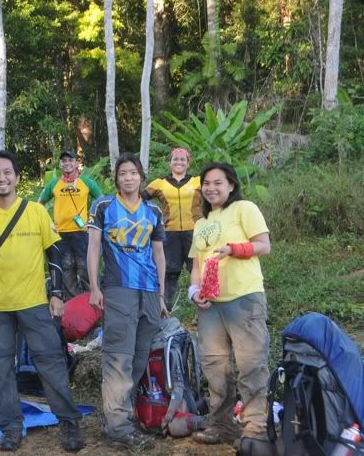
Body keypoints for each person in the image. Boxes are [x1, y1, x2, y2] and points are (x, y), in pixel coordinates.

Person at [0, 151, 85, 453]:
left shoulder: (36, 212)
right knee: (1, 367)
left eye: (7, 172)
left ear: (17, 178)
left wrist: (56, 294)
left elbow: (54, 255)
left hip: (34, 303)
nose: (1, 178)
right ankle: (10, 427)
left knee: (51, 361)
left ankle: (68, 422)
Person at [86, 152, 167, 449]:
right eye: (123, 174)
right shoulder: (104, 206)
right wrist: (94, 287)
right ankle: (118, 427)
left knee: (139, 357)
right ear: (117, 179)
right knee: (118, 356)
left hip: (149, 292)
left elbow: (159, 254)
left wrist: (161, 295)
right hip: (119, 288)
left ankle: (121, 417)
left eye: (133, 173)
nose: (128, 178)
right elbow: (93, 247)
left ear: (141, 177)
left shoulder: (153, 211)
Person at [188, 163, 271, 450]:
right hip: (210, 305)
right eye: (206, 183)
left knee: (251, 365)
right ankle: (222, 424)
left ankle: (255, 429)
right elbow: (197, 265)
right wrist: (193, 291)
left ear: (231, 185)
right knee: (214, 366)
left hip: (244, 299)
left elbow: (264, 245)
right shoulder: (201, 223)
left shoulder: (244, 209)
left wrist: (235, 249)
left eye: (218, 182)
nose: (211, 188)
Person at [142, 147, 201, 310]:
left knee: (198, 270)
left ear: (188, 163)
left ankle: (203, 311)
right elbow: (139, 199)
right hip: (169, 233)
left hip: (195, 233)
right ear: (170, 162)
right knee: (169, 272)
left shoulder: (198, 181)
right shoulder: (159, 183)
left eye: (183, 159)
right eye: (175, 159)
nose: (179, 162)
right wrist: (149, 220)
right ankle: (164, 310)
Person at [38, 150, 102, 300]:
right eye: (64, 161)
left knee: (86, 268)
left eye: (70, 160)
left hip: (82, 233)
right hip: (60, 234)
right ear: (60, 164)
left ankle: (92, 303)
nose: (67, 163)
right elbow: (39, 204)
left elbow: (101, 202)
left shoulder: (87, 182)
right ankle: (72, 304)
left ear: (77, 163)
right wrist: (48, 224)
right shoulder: (54, 184)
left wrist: (94, 223)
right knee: (66, 270)